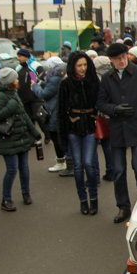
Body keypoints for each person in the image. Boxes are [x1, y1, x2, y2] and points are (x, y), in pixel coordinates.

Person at [96, 43, 137, 223]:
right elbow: (101, 103)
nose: (122, 60)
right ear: (111, 60)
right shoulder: (107, 78)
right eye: (118, 59)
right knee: (118, 171)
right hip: (118, 130)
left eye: (124, 56)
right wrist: (114, 108)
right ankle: (123, 207)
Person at [0, 68, 41, 212]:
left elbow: (24, 115)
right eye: (16, 79)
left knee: (24, 168)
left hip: (21, 137)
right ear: (10, 82)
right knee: (12, 170)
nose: (18, 80)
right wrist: (11, 106)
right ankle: (5, 199)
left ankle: (26, 193)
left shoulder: (14, 94)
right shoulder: (0, 96)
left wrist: (34, 132)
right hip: (8, 139)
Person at [57, 52, 101, 215]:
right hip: (73, 126)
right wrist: (61, 135)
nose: (83, 68)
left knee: (89, 163)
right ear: (72, 67)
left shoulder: (93, 80)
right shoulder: (66, 84)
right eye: (79, 65)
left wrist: (98, 113)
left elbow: (102, 100)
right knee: (77, 166)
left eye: (85, 65)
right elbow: (61, 110)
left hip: (90, 124)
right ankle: (83, 200)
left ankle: (94, 199)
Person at [32, 57, 66, 172]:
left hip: (53, 110)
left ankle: (61, 161)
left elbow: (44, 94)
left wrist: (35, 86)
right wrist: (41, 83)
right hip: (56, 109)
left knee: (55, 136)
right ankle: (64, 160)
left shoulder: (55, 78)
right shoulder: (59, 75)